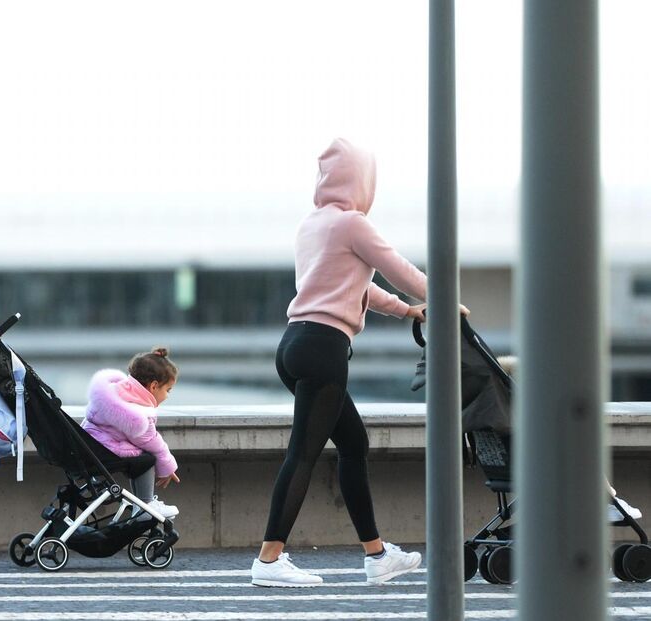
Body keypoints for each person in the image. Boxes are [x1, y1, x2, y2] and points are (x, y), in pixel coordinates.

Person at [251, 138, 466, 587]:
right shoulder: (353, 224)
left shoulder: (312, 225)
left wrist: (408, 310)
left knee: (353, 445)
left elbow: (358, 286)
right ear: (362, 180)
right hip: (324, 349)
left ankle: (376, 554)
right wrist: (445, 298)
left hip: (294, 344)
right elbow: (396, 268)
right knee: (304, 453)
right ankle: (269, 561)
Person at [496, 355, 643, 523]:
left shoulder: (493, 415)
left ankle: (607, 500)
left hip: (502, 470)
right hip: (544, 471)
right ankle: (606, 500)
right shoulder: (536, 422)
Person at [82, 347, 182, 519]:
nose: (167, 396)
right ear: (153, 386)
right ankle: (145, 506)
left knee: (140, 459)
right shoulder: (137, 414)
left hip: (91, 444)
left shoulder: (114, 393)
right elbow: (152, 441)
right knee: (146, 459)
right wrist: (167, 466)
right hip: (103, 450)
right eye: (168, 390)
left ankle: (140, 505)